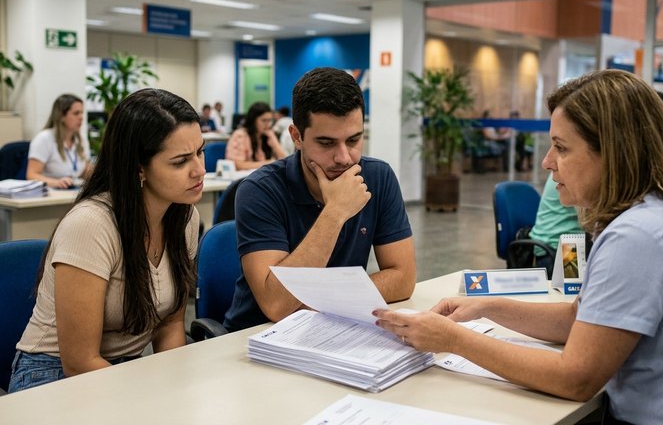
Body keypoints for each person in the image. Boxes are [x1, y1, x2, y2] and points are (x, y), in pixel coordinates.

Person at [374, 69, 663, 423]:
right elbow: (580, 319)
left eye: (561, 148)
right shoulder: (653, 212)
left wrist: (453, 339)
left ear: (613, 154)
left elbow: (575, 378)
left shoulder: (639, 235)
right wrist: (487, 307)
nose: (547, 162)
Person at [9, 88, 205, 393]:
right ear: (139, 168)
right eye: (180, 161)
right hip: (53, 377)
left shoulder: (184, 217)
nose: (200, 170)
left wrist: (176, 388)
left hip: (124, 370)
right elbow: (79, 362)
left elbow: (169, 324)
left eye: (200, 152)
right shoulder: (91, 225)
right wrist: (151, 398)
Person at [223, 67, 416, 331]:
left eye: (354, 140)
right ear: (296, 136)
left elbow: (403, 279)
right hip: (258, 334)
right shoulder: (259, 190)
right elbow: (277, 305)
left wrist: (320, 300)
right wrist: (335, 213)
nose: (344, 158)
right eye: (326, 143)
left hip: (335, 328)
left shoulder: (378, 177)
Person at [27, 93, 91, 189]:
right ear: (61, 116)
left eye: (82, 113)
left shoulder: (81, 139)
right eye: (76, 113)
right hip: (51, 192)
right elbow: (32, 175)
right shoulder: (44, 139)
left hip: (73, 190)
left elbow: (84, 171)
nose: (81, 117)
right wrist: (56, 182)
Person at [225, 102, 287, 170]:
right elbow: (237, 165)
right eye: (264, 120)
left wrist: (274, 140)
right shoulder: (240, 135)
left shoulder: (267, 136)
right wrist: (268, 163)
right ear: (253, 120)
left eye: (270, 120)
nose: (268, 124)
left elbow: (284, 161)